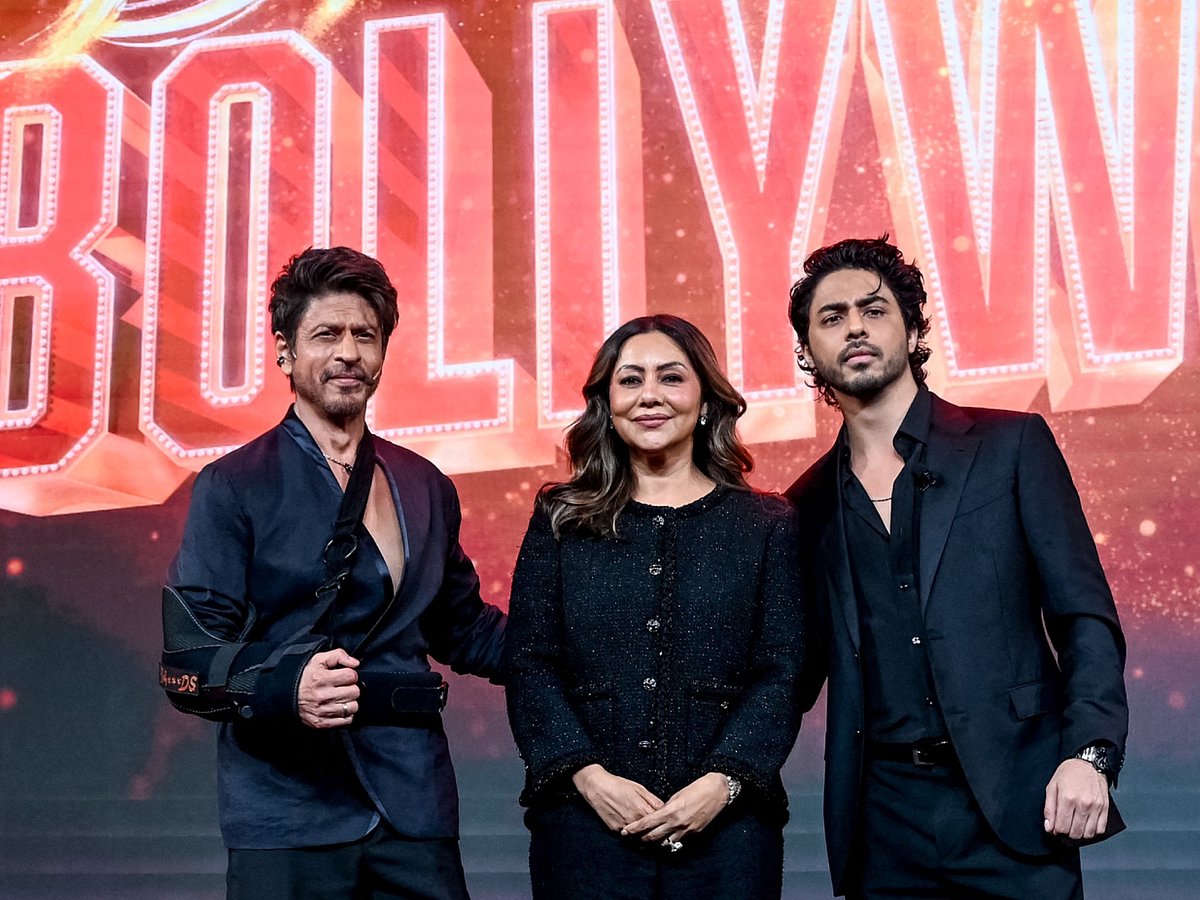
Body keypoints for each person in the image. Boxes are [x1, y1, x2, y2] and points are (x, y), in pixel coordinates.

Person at [784, 236, 1128, 899]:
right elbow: (789, 678)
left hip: (1018, 806)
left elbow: (1085, 619)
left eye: (874, 310)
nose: (854, 326)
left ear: (914, 329)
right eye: (831, 317)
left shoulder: (1010, 446)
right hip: (883, 828)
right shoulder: (804, 507)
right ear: (811, 353)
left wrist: (1090, 753)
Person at [159, 246, 505, 900]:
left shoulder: (425, 484)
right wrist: (287, 685)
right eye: (326, 334)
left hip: (413, 803)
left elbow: (465, 631)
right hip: (287, 807)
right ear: (286, 353)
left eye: (364, 336)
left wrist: (598, 643)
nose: (348, 351)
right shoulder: (233, 485)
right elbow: (189, 658)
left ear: (381, 355)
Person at [504, 314, 804, 900]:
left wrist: (723, 783)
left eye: (671, 378)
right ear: (606, 402)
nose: (650, 396)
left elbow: (783, 671)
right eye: (630, 380)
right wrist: (588, 777)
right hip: (584, 826)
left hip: (729, 832)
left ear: (706, 400)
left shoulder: (766, 524)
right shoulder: (562, 519)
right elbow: (530, 662)